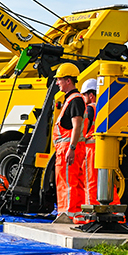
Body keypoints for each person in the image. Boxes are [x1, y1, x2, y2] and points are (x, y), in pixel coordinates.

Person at [52, 63, 86, 223]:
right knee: (70, 182)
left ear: (68, 80)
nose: (57, 83)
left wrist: (71, 148)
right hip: (68, 148)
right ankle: (73, 214)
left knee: (67, 183)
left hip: (68, 148)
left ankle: (68, 214)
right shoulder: (72, 100)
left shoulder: (74, 100)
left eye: (59, 79)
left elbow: (77, 125)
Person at [79, 78, 99, 207]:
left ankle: (91, 213)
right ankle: (114, 211)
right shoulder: (104, 108)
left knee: (90, 181)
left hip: (91, 149)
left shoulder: (90, 109)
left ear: (90, 95)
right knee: (104, 183)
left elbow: (84, 130)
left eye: (84, 95)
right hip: (102, 148)